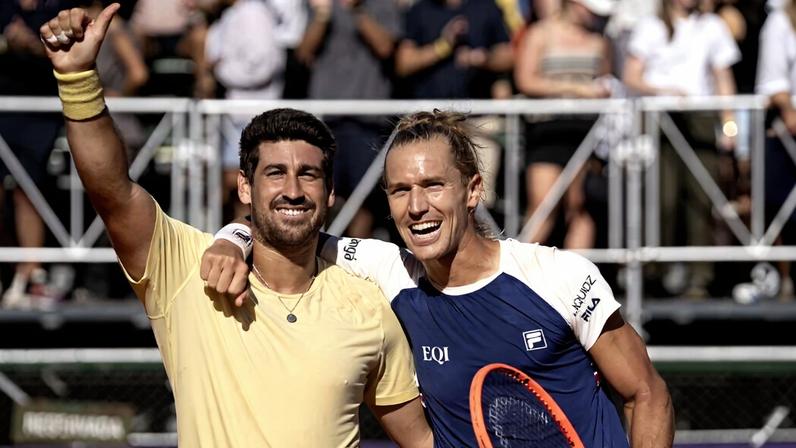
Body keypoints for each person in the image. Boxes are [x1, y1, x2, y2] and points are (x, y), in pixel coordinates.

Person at [39, 4, 432, 446]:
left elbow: (420, 440)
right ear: (244, 187)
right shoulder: (187, 270)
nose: (294, 190)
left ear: (330, 192)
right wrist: (77, 80)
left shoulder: (368, 304)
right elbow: (110, 189)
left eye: (309, 174)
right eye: (275, 173)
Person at [205, 111, 675, 446]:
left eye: (433, 185)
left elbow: (646, 392)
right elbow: (289, 221)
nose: (416, 207)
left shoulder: (559, 275)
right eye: (401, 191)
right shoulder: (389, 272)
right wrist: (233, 237)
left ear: (473, 190)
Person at [623, 0, 741, 298]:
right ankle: (654, 274)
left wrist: (729, 122)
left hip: (700, 117)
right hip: (659, 118)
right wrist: (663, 92)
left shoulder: (711, 26)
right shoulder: (650, 27)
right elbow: (631, 75)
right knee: (662, 197)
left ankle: (699, 277)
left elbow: (722, 76)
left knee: (702, 196)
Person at [514, 0, 614, 248]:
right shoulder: (540, 33)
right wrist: (575, 89)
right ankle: (520, 277)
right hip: (547, 130)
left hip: (585, 132)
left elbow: (606, 80)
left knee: (581, 207)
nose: (593, 16)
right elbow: (525, 80)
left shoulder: (600, 40)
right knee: (543, 205)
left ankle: (579, 284)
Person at [756, 0, 796, 297]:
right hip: (785, 133)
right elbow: (775, 85)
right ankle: (786, 279)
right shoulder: (779, 22)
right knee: (784, 209)